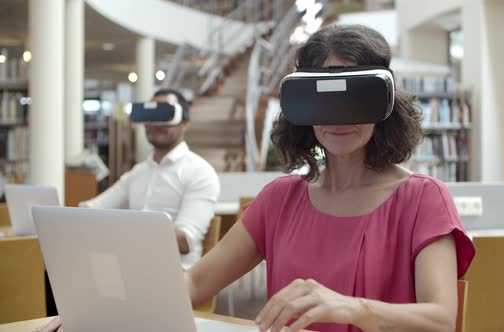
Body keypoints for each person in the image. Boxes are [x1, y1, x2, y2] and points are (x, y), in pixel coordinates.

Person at [38, 25, 474, 332]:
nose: (340, 119)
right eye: (322, 96)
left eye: (353, 96)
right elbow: (193, 283)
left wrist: (350, 308)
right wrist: (94, 311)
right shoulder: (281, 199)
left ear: (383, 104)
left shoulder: (421, 198)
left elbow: (440, 319)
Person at [79, 89, 220, 270]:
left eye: (164, 115)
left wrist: (125, 229)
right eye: (150, 115)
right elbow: (93, 209)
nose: (154, 123)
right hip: (130, 267)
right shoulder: (138, 173)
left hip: (174, 275)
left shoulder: (200, 172)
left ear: (184, 123)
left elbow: (185, 241)